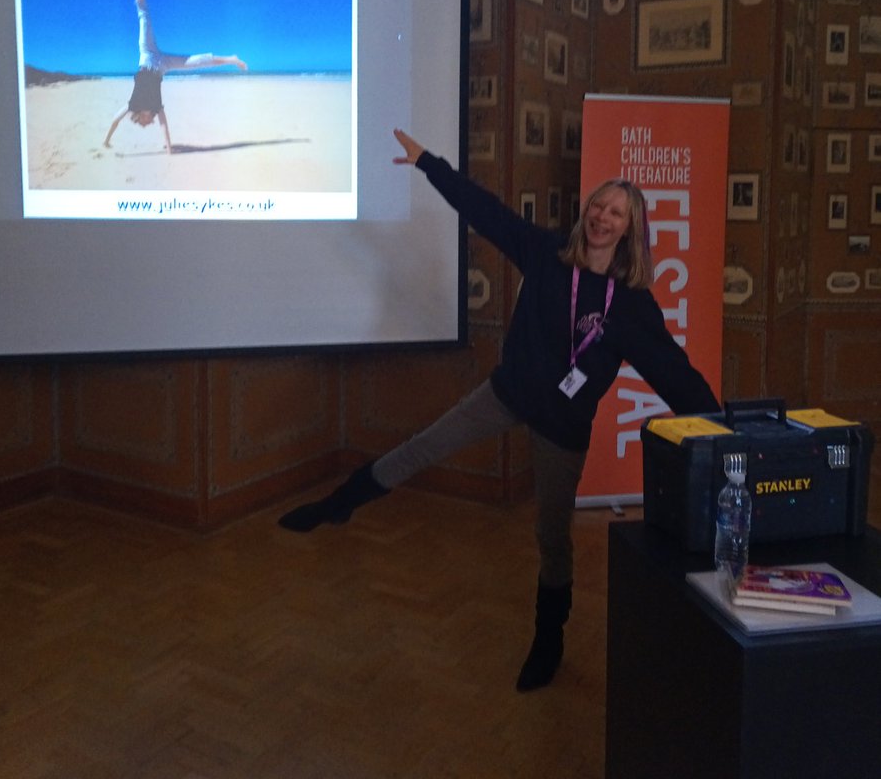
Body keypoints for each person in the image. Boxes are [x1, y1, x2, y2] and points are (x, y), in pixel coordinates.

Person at [279, 127, 721, 692]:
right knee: (423, 447)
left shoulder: (631, 306)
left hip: (563, 426)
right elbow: (484, 211)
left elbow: (674, 373)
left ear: (631, 230)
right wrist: (428, 163)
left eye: (616, 213)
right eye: (598, 206)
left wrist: (724, 427)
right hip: (507, 392)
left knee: (552, 534)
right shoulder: (546, 254)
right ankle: (339, 504)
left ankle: (549, 638)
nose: (602, 217)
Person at [103, 0, 246, 153]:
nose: (151, 123)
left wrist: (106, 141)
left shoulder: (133, 105)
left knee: (144, 15)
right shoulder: (156, 108)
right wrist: (169, 150)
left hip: (147, 55)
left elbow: (115, 120)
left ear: (140, 118)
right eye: (151, 123)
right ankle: (231, 59)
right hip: (163, 66)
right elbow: (164, 126)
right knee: (196, 62)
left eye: (146, 124)